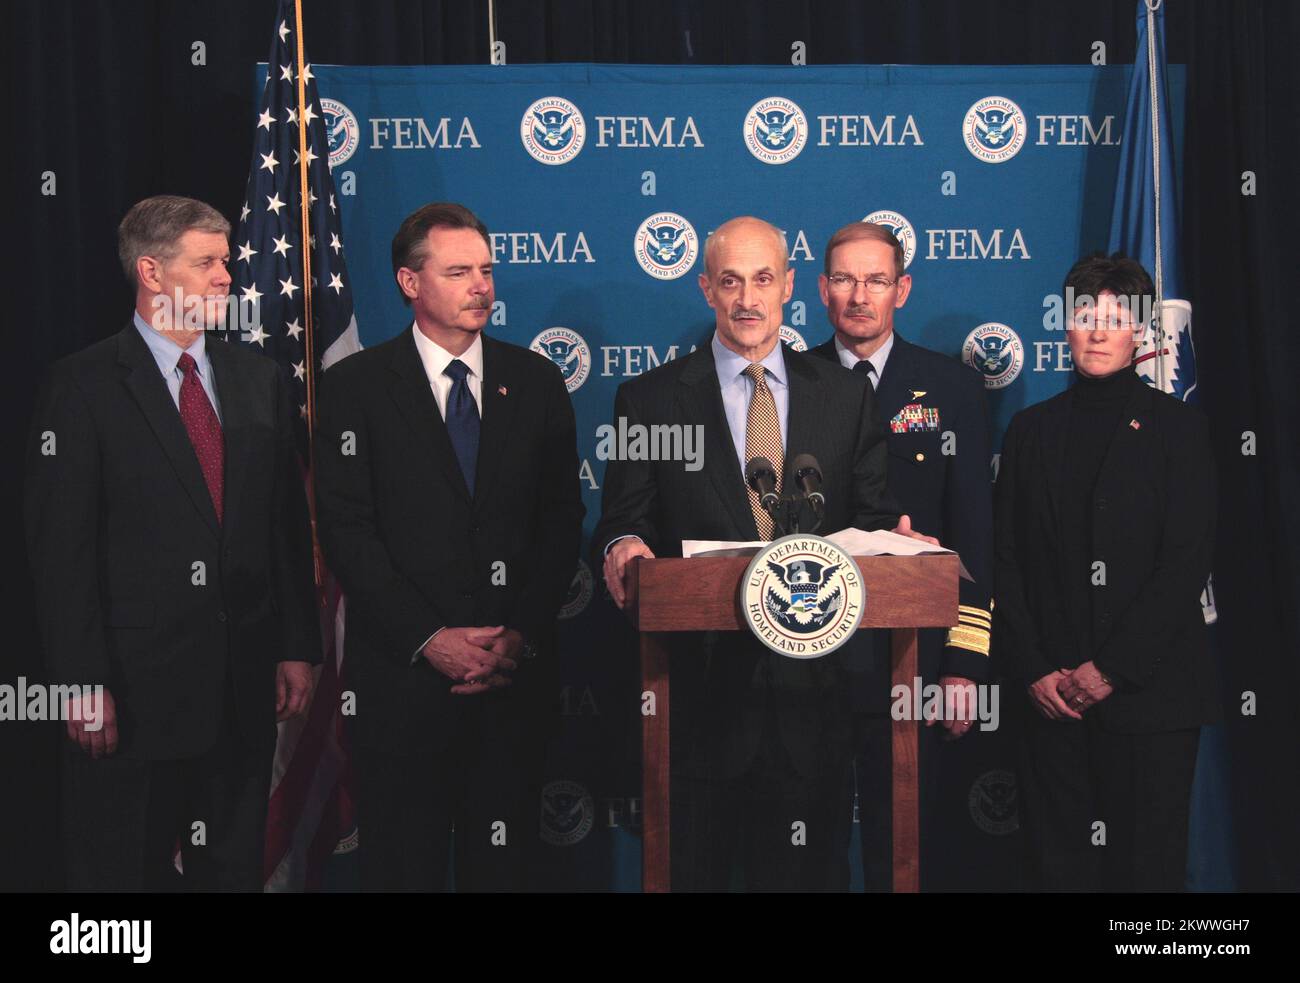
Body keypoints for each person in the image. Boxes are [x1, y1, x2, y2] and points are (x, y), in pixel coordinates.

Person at [593, 215, 936, 892]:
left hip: (815, 705)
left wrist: (899, 543)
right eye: (730, 281)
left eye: (762, 279)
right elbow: (624, 519)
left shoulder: (843, 395)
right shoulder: (653, 401)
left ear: (787, 289)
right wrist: (623, 543)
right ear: (705, 290)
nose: (747, 298)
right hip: (697, 706)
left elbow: (869, 517)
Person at [24, 195, 320, 891]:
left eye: (226, 261)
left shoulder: (257, 379)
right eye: (208, 263)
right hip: (132, 697)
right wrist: (80, 680)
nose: (226, 278)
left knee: (231, 872)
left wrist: (296, 645)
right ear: (152, 272)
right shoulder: (83, 385)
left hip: (243, 692)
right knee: (123, 875)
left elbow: (282, 526)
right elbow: (60, 549)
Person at [313, 202, 584, 892]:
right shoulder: (354, 387)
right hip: (403, 687)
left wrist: (516, 634)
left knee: (507, 868)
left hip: (510, 684)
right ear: (410, 282)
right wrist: (430, 637)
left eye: (487, 270)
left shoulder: (535, 381)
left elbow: (560, 521)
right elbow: (346, 529)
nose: (481, 286)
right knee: (406, 869)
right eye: (459, 271)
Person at [994, 252, 1219, 891]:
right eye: (1086, 314)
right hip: (1051, 699)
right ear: (1065, 325)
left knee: (1147, 871)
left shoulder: (1182, 430)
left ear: (1141, 331)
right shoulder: (1029, 432)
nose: (1098, 329)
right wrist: (1037, 668)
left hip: (1151, 698)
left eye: (1117, 317)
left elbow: (1185, 563)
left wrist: (1111, 671)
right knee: (1057, 865)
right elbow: (1004, 559)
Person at [808, 221, 994, 890]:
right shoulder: (785, 383)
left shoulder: (950, 387)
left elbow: (975, 533)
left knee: (908, 853)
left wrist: (966, 665)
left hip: (915, 661)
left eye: (877, 280)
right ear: (823, 289)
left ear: (902, 288)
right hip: (808, 661)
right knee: (807, 851)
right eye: (846, 280)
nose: (861, 295)